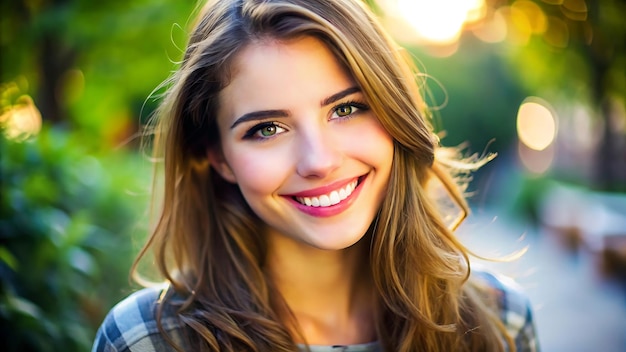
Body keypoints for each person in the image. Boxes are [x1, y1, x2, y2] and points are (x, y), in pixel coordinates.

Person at [92, 0, 539, 351]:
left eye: (346, 109)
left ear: (394, 112)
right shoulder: (144, 342)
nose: (319, 160)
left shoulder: (500, 321)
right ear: (218, 156)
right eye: (266, 129)